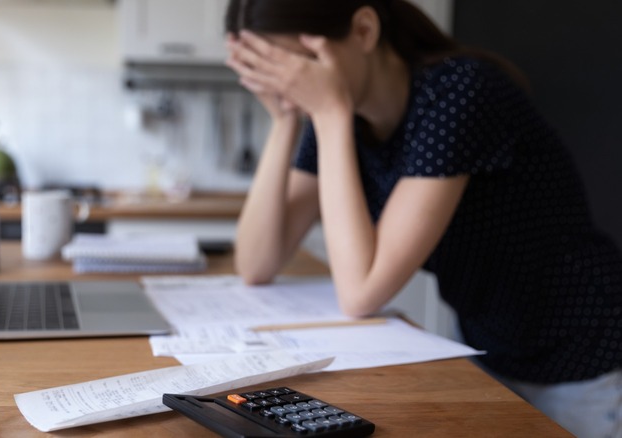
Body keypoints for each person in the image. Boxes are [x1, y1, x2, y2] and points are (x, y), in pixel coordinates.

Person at [224, 0, 622, 436]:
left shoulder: (460, 91)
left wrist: (329, 114)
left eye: (298, 65)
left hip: (581, 345)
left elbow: (361, 293)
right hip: (488, 340)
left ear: (363, 29)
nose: (294, 84)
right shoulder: (338, 115)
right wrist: (284, 118)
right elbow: (256, 263)